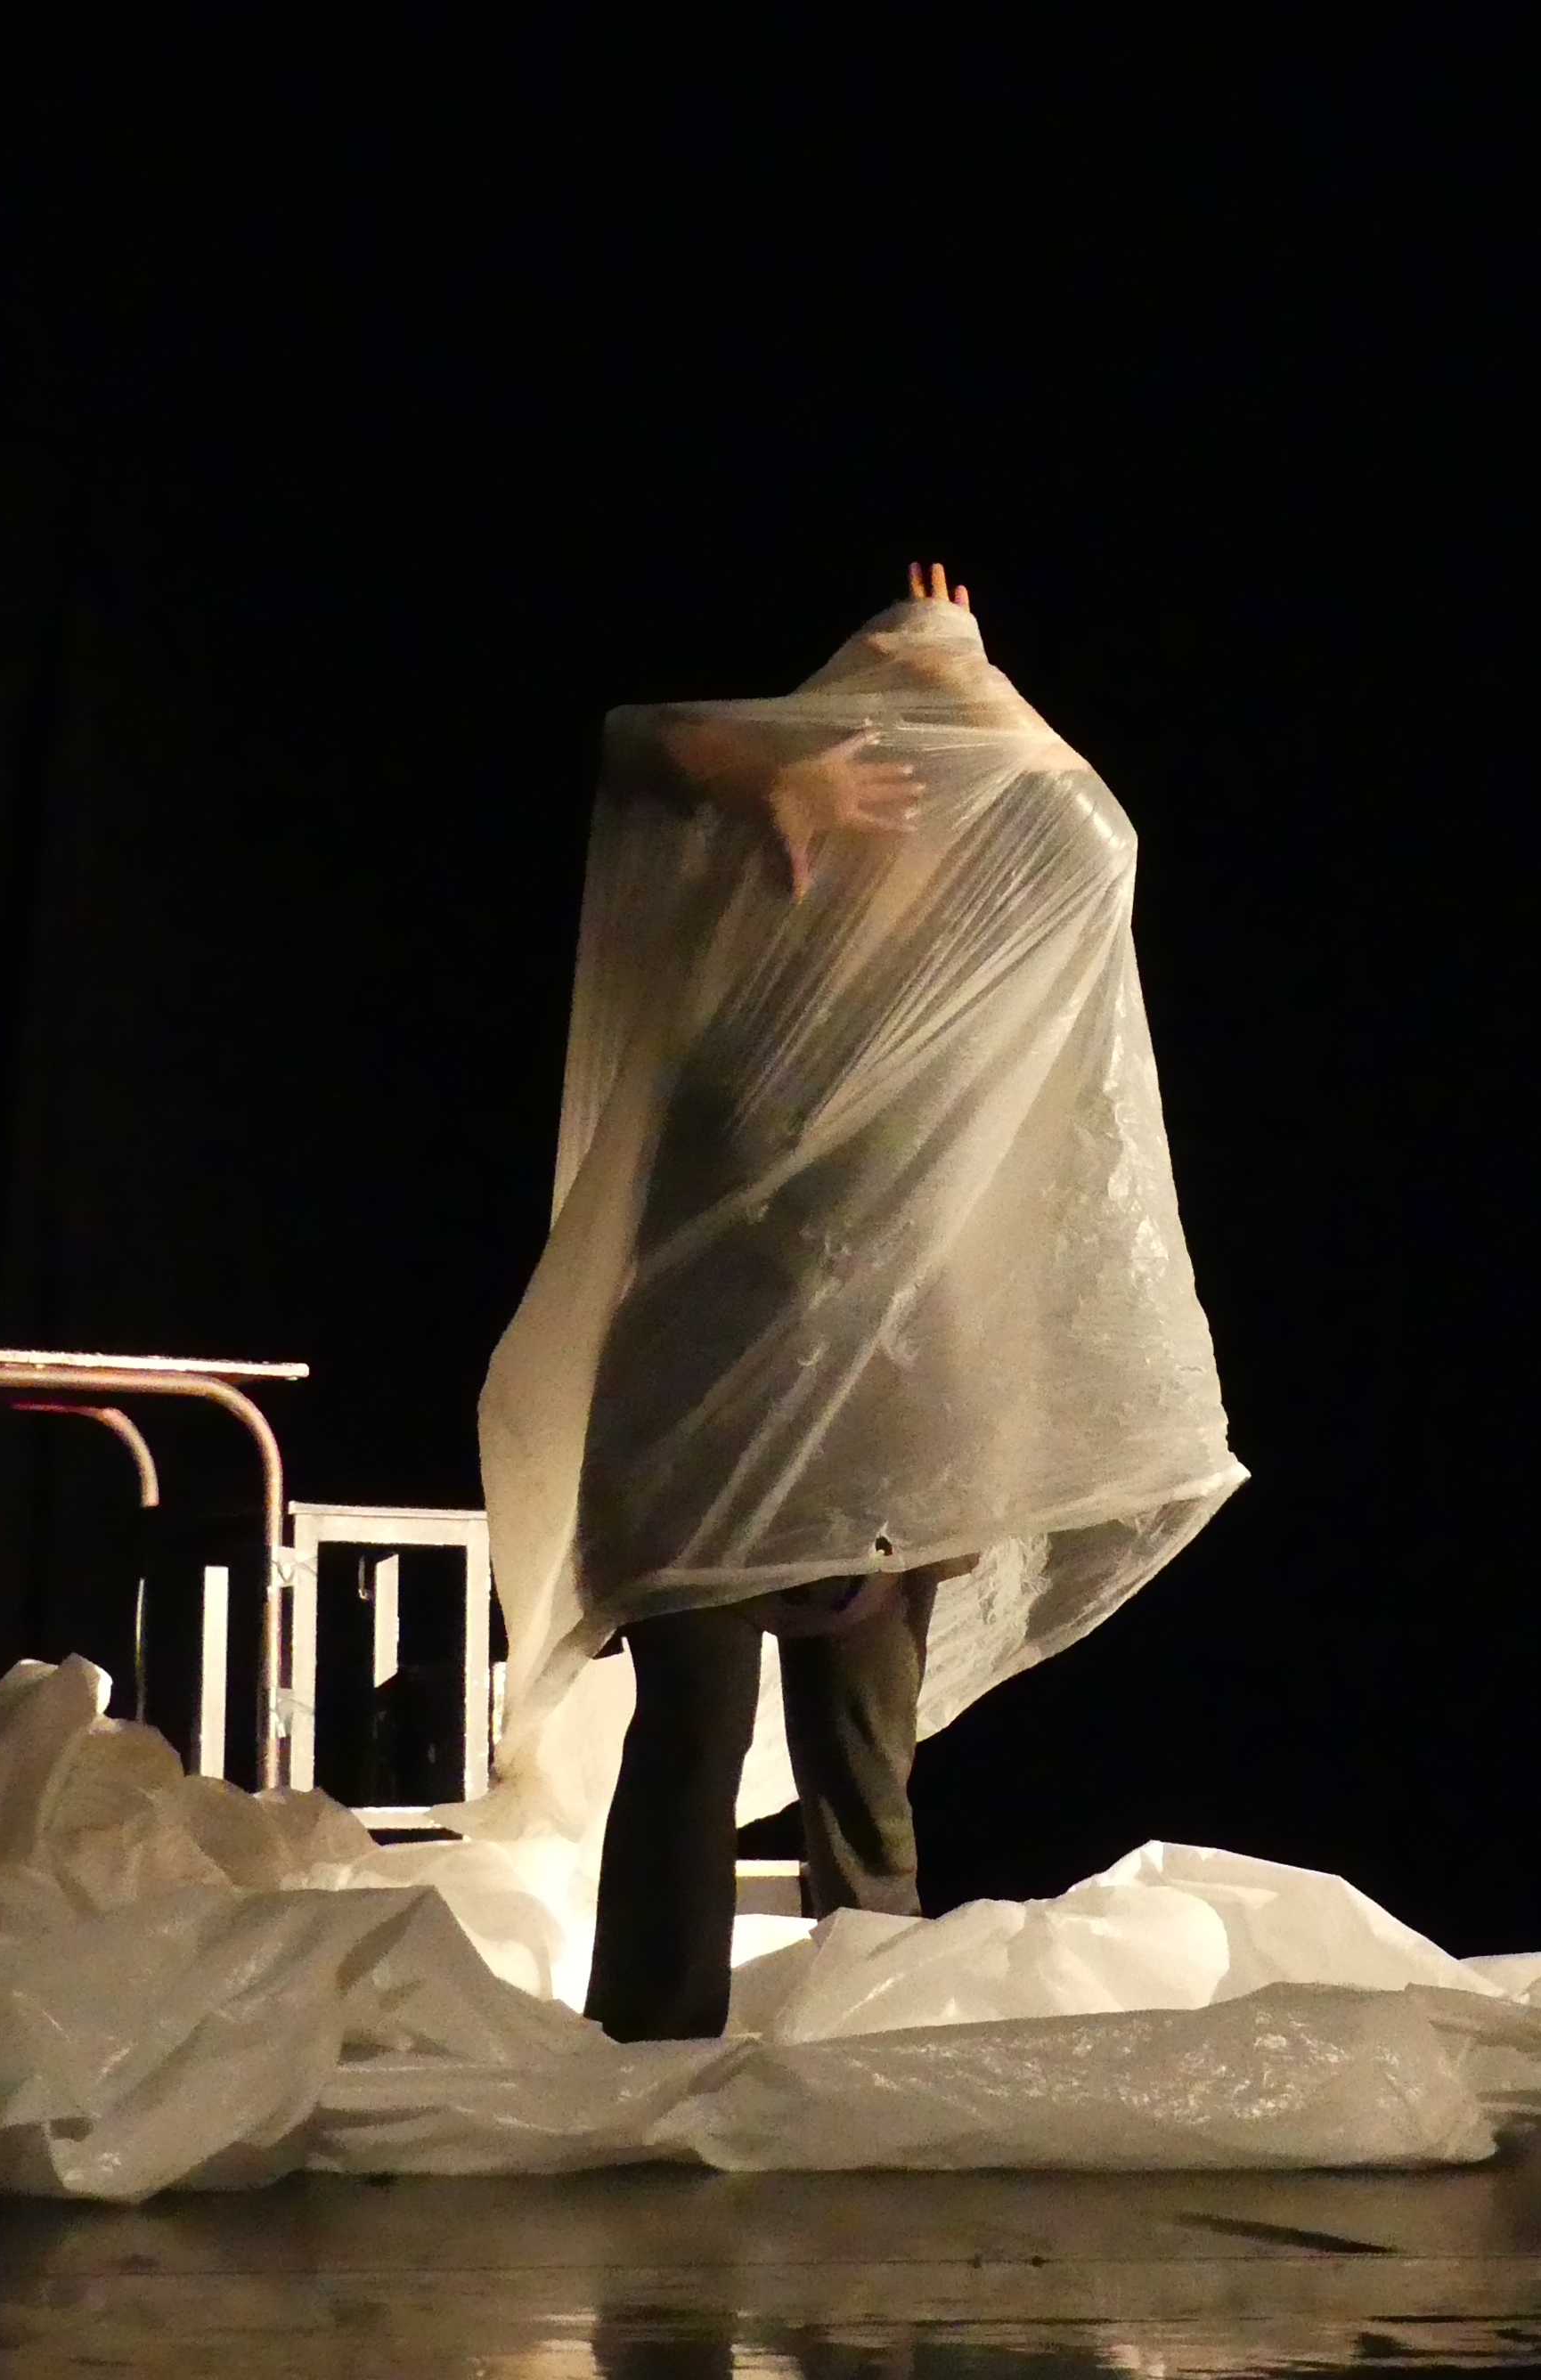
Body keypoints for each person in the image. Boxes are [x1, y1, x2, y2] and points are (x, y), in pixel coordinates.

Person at [477, 564, 1243, 2042]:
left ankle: (860, 2034)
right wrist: (774, 778)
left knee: (863, 1770)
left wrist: (964, 670)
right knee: (693, 1746)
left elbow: (1098, 833)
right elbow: (640, 741)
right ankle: (654, 2054)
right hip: (709, 1380)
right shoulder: (761, 877)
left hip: (884, 1392)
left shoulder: (973, 933)